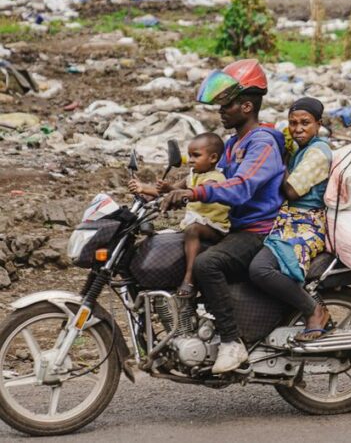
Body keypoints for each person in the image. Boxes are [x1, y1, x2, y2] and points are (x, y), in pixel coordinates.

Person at [162, 59, 286, 374]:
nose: (221, 110)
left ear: (247, 106)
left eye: (226, 104)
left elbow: (241, 187)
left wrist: (195, 194)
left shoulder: (262, 144)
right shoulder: (232, 144)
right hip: (235, 227)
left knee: (207, 264)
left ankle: (232, 342)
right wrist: (170, 191)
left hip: (259, 231)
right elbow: (212, 179)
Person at [249, 97, 332, 342]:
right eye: (293, 123)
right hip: (287, 221)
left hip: (306, 226)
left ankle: (313, 310)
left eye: (305, 123)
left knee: (260, 269)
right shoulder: (300, 150)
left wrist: (276, 158)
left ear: (318, 124)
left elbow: (292, 190)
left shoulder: (318, 152)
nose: (298, 129)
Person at [129, 133, 230, 298]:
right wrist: (143, 188)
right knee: (154, 232)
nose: (191, 160)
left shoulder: (215, 178)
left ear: (213, 158)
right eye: (189, 155)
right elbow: (173, 191)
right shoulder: (192, 175)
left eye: (196, 155)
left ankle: (189, 278)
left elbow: (198, 191)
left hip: (214, 226)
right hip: (193, 221)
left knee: (192, 230)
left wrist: (176, 192)